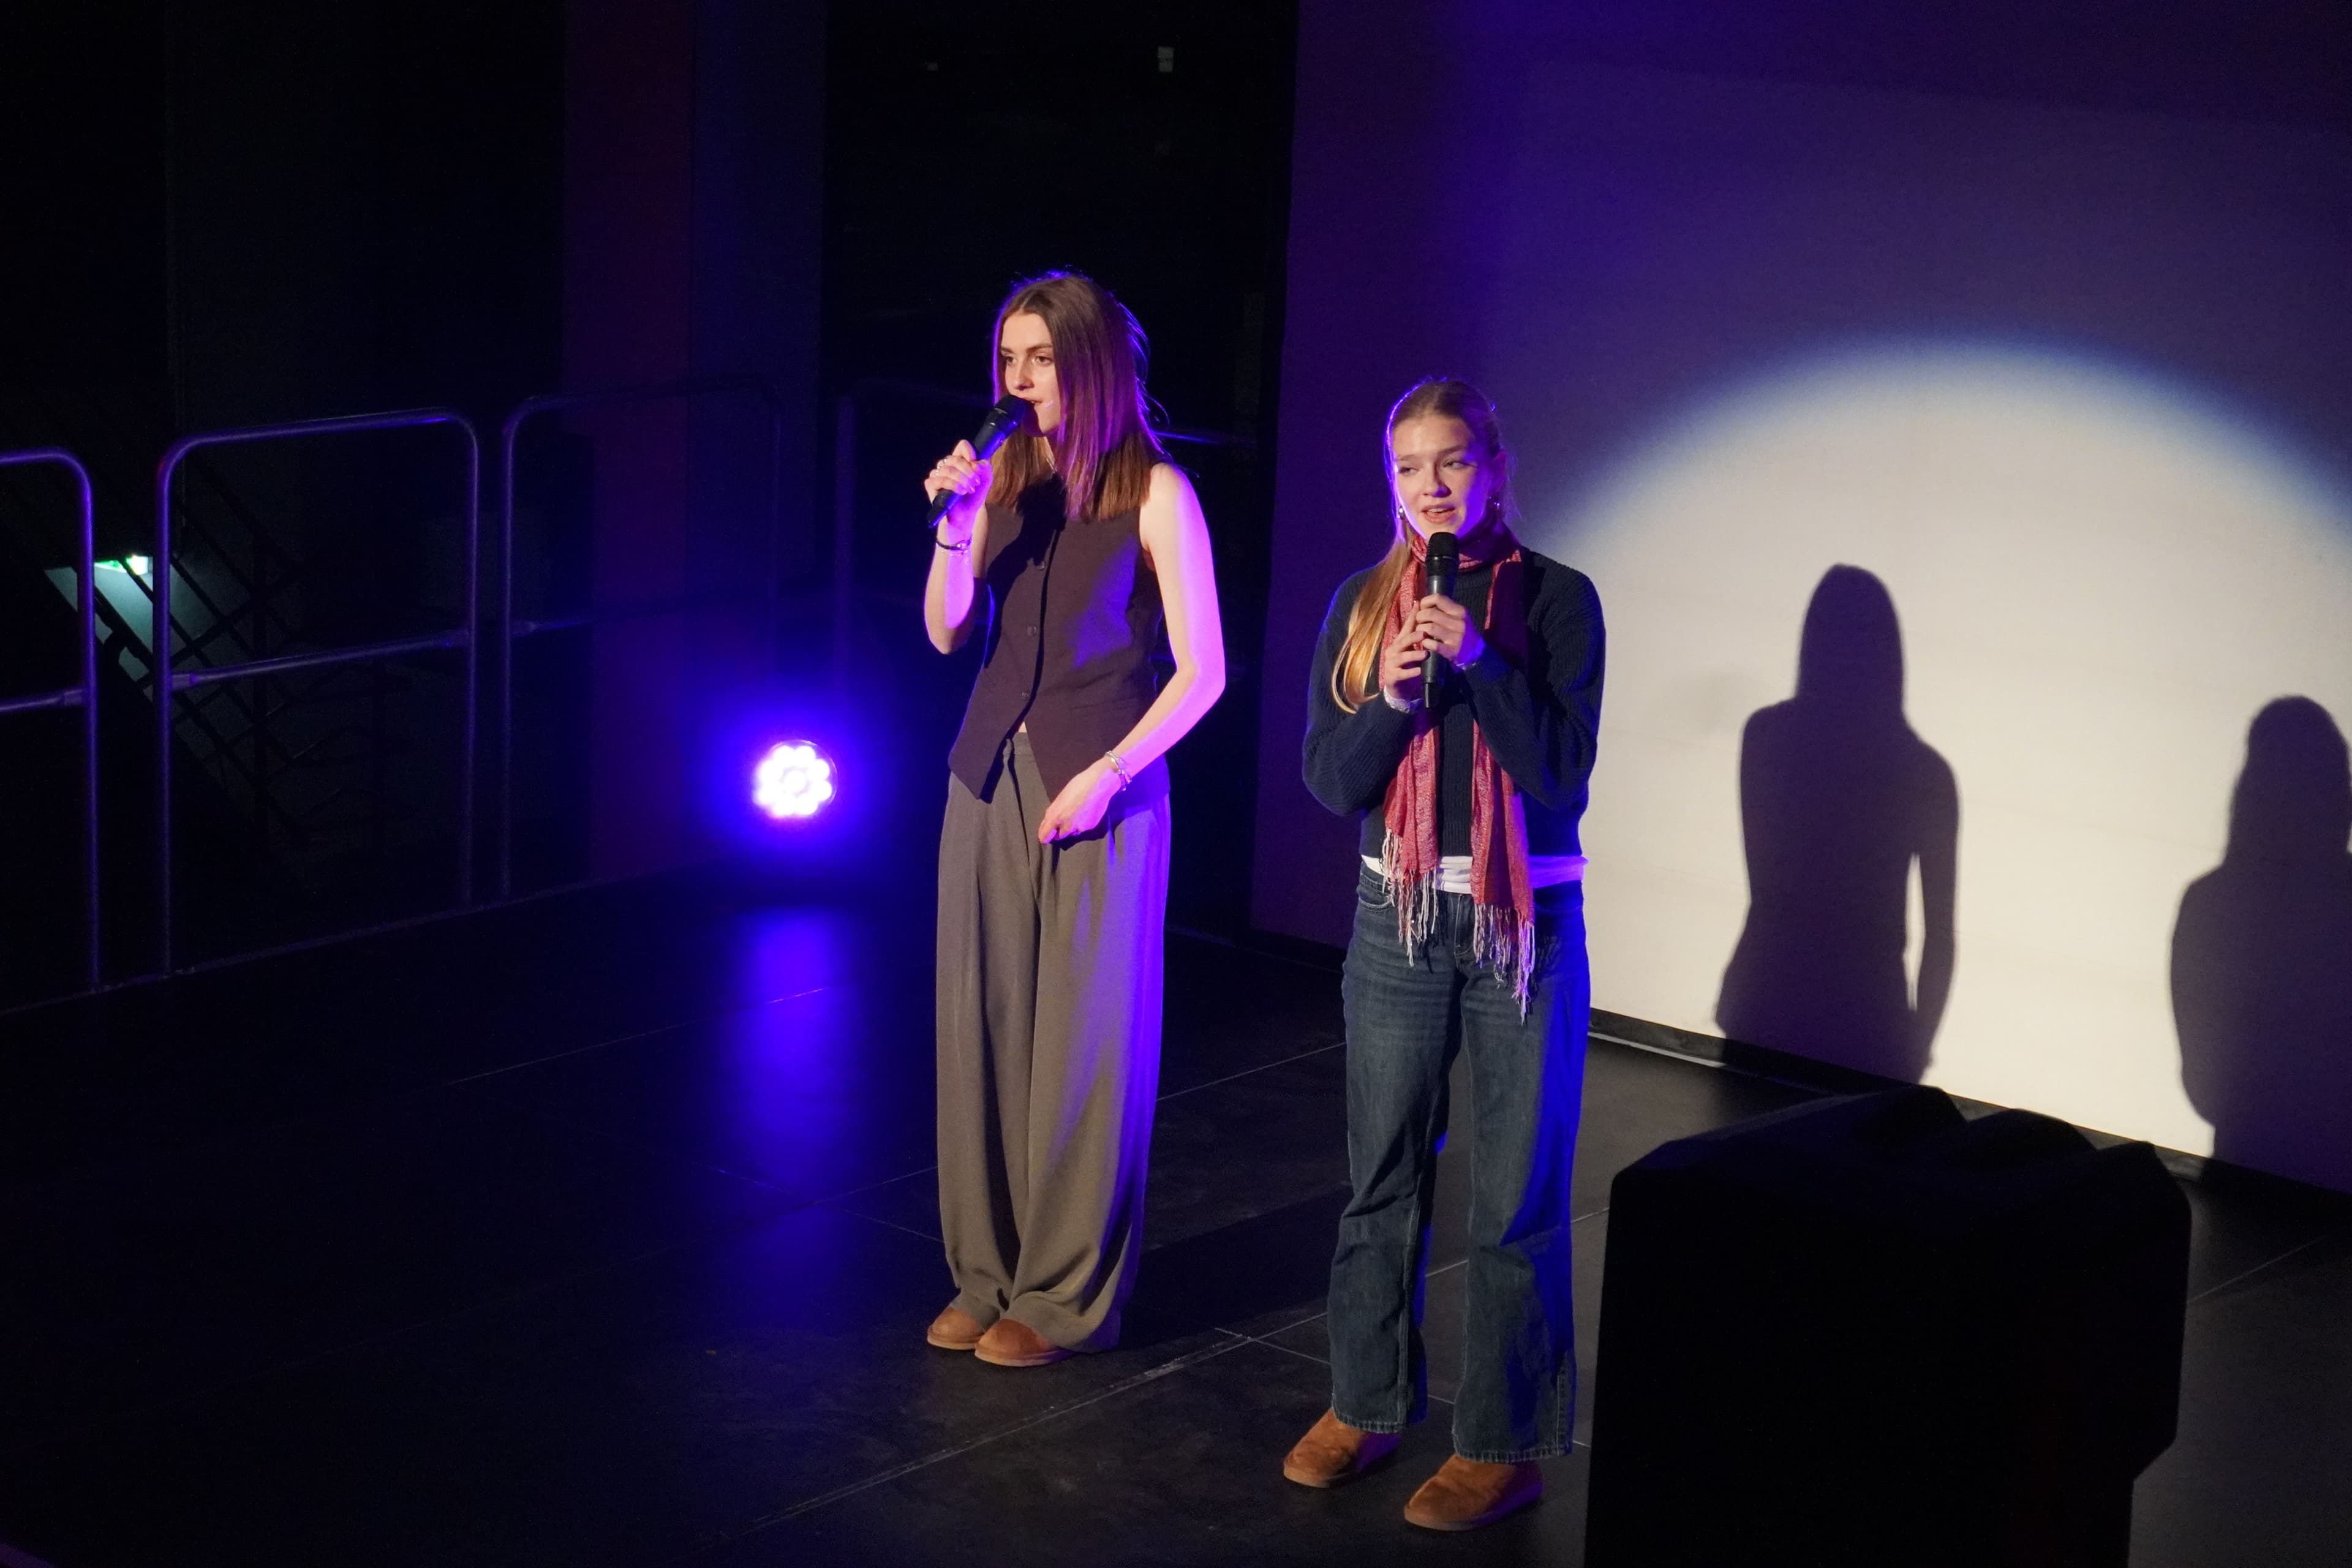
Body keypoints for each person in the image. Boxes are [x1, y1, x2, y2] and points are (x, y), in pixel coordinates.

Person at [1283, 377, 1603, 1530]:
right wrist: (1393, 703)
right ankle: (1365, 1404)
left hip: (1527, 925)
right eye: (1412, 468)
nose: (1433, 487)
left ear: (1496, 468)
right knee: (1381, 1178)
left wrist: (1480, 662)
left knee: (1516, 1195)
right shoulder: (1365, 601)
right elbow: (1332, 782)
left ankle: (1505, 1443)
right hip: (1398, 919)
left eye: (1454, 464)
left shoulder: (1560, 600)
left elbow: (1560, 776)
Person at [919, 271, 1224, 1368]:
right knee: (983, 1027)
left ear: (1088, 362)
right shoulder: (1005, 479)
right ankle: (985, 1273)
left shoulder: (1157, 493)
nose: (1019, 380)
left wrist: (1108, 773)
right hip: (987, 775)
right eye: (1008, 360)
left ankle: (1060, 1296)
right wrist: (958, 523)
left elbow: (1203, 674)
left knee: (1083, 1048)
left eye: (1040, 359)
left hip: (1100, 786)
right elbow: (948, 632)